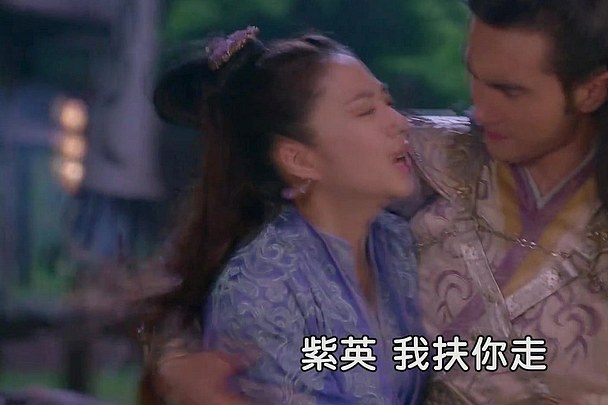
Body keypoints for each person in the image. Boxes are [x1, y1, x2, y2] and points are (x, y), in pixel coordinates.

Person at [148, 0, 608, 404]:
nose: (479, 110)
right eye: (474, 78)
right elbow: (279, 175)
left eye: (510, 91)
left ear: (592, 90)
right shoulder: (433, 156)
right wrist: (185, 366)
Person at [139, 28, 427, 404]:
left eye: (388, 102)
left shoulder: (398, 242)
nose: (399, 122)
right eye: (365, 111)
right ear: (300, 160)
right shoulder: (260, 289)